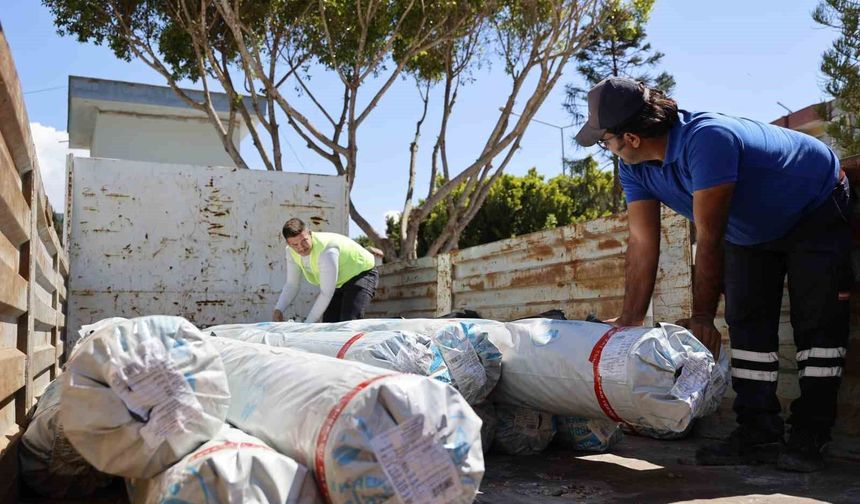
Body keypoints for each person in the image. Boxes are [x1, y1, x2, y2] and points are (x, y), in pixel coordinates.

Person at [575, 77, 851, 473]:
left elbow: (708, 239)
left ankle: (812, 433)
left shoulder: (707, 140)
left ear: (631, 138)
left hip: (813, 203)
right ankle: (758, 432)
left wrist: (702, 316)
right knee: (747, 325)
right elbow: (642, 243)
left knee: (817, 323)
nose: (607, 148)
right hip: (749, 228)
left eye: (605, 140)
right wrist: (630, 319)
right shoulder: (633, 169)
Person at [273, 218, 379, 323]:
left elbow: (326, 293)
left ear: (309, 233)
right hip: (340, 281)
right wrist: (278, 309)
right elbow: (292, 284)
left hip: (362, 273)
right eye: (295, 245)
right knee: (329, 325)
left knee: (348, 323)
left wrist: (307, 325)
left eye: (304, 240)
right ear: (288, 244)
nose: (301, 247)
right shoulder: (290, 252)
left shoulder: (327, 251)